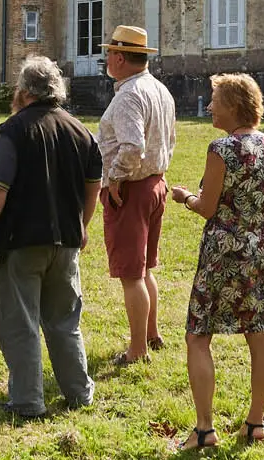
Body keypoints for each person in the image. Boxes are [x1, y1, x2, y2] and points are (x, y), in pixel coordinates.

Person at [0, 56, 103, 419]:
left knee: (19, 324)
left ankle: (27, 401)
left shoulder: (13, 132)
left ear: (23, 91)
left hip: (19, 241)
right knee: (65, 322)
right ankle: (79, 393)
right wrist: (82, 224)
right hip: (66, 240)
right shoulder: (81, 131)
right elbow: (93, 186)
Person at [167, 72, 264, 450]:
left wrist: (185, 197)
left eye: (214, 101)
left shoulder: (221, 149)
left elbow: (207, 207)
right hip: (259, 253)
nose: (208, 106)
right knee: (260, 336)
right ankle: (256, 423)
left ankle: (204, 430)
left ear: (233, 106)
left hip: (221, 256)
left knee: (198, 336)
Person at [95, 24, 178, 366]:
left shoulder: (129, 95)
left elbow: (131, 146)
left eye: (110, 54)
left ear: (119, 57)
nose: (106, 60)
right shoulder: (159, 89)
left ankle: (137, 349)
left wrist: (115, 178)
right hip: (155, 184)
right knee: (145, 270)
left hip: (131, 188)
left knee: (131, 274)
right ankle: (151, 334)